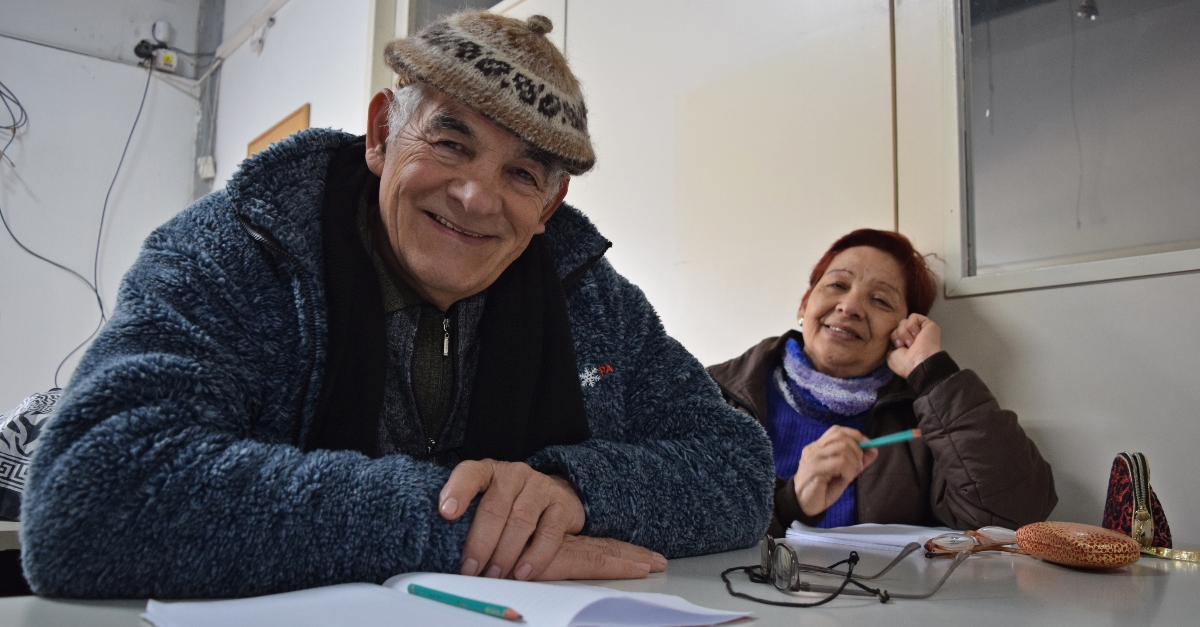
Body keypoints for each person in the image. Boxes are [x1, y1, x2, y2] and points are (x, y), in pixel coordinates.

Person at [21, 12, 774, 598]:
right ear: (382, 131)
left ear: (550, 203)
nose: (477, 196)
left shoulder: (595, 298)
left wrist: (570, 492)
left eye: (522, 173)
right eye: (450, 142)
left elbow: (738, 469)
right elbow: (86, 495)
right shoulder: (239, 246)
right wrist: (450, 521)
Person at [707, 229, 1056, 537]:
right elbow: (681, 520)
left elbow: (1013, 517)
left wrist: (932, 372)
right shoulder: (713, 394)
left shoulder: (925, 413)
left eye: (880, 300)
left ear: (904, 328)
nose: (850, 306)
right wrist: (790, 503)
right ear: (805, 302)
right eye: (837, 285)